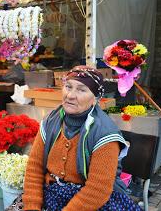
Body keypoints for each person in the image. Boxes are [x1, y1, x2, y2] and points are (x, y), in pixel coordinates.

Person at [22, 66, 141, 211]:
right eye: (68, 87)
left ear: (95, 99)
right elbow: (35, 167)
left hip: (90, 202)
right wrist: (32, 206)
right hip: (52, 193)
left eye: (81, 89)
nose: (71, 95)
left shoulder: (104, 134)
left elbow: (97, 191)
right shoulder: (50, 122)